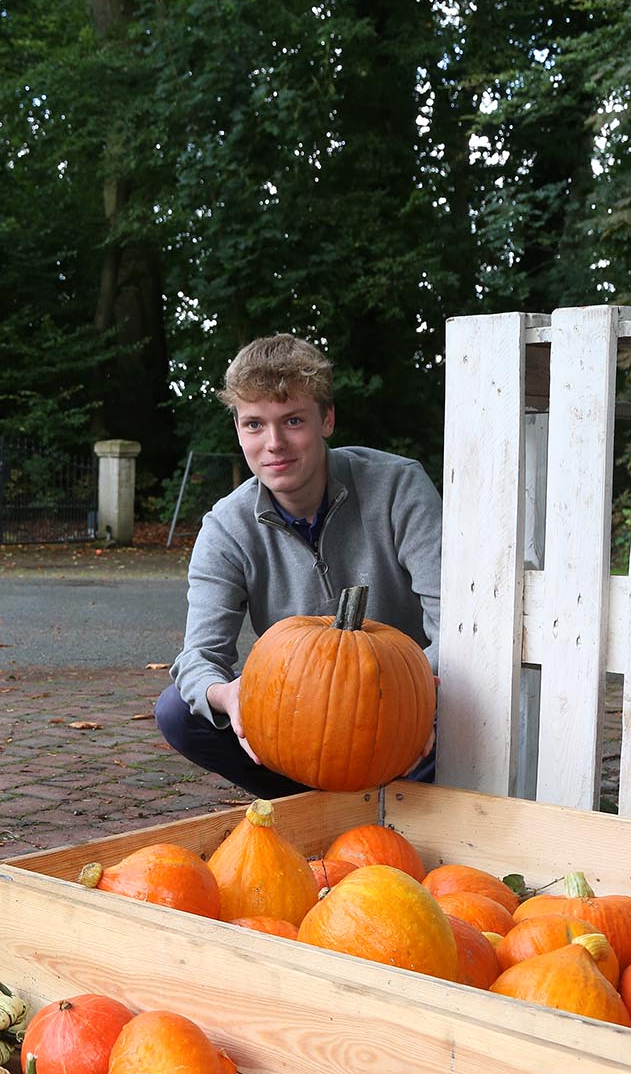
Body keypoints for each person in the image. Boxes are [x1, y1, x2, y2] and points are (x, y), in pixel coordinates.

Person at [157, 333, 441, 800]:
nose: (274, 444)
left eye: (292, 420)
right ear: (237, 429)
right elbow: (198, 659)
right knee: (177, 712)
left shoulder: (397, 487)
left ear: (326, 419)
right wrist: (227, 696)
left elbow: (457, 625)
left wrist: (413, 703)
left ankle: (404, 797)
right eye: (254, 424)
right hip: (308, 714)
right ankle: (310, 804)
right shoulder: (227, 527)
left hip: (411, 708)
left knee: (473, 706)